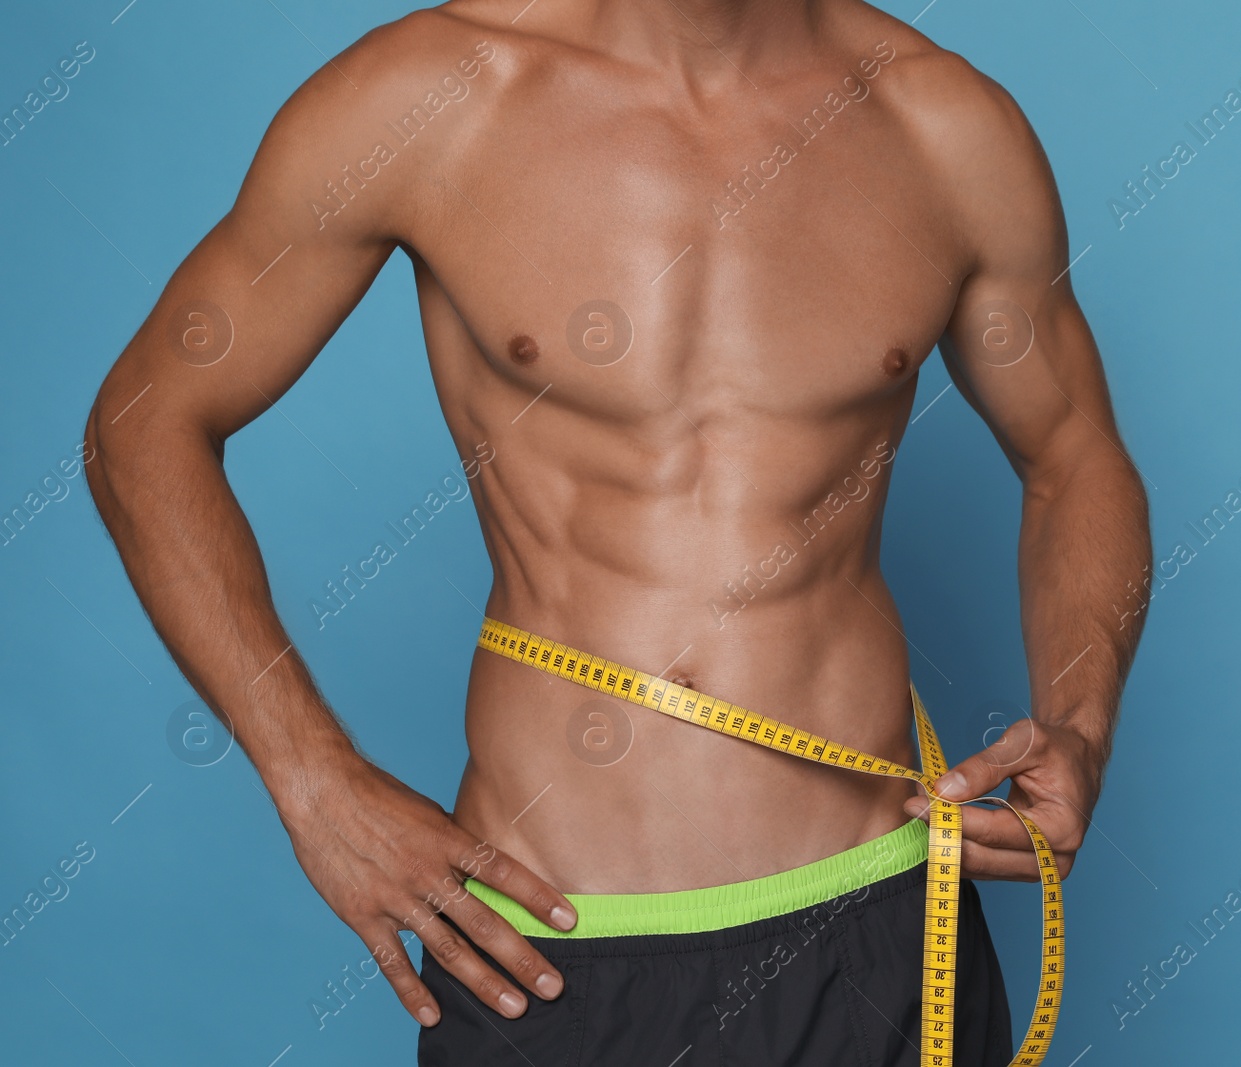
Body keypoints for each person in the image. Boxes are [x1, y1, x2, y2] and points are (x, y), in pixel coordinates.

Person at [84, 0, 1151, 1063]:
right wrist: (313, 778)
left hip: (877, 919)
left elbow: (1073, 453)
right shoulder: (432, 94)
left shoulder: (942, 123)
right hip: (553, 947)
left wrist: (1082, 719)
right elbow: (145, 425)